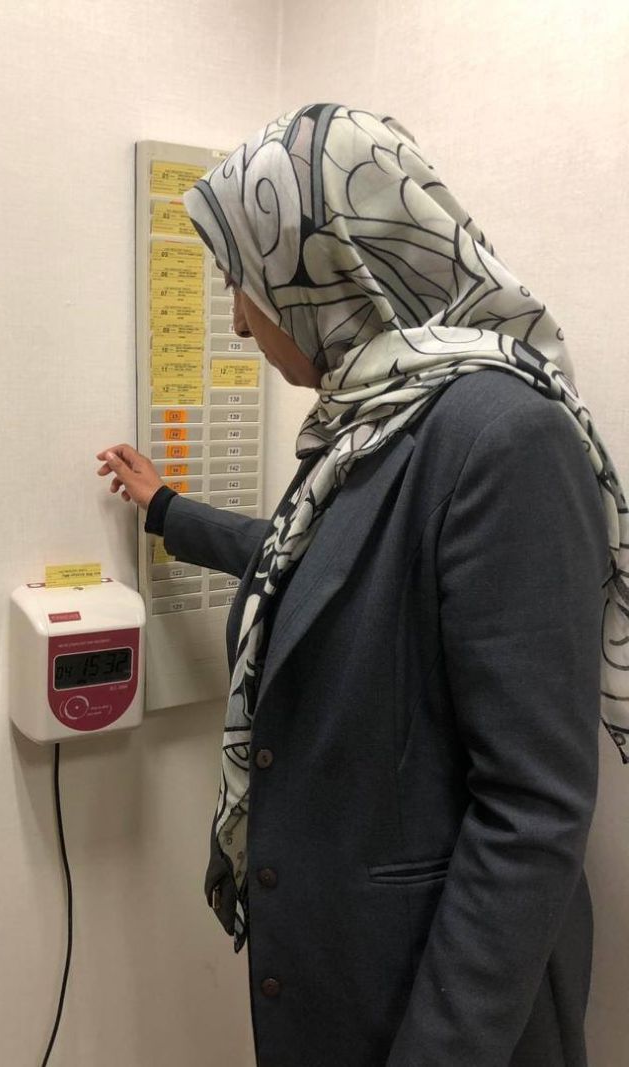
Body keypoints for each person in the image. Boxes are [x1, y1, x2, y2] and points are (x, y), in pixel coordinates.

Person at [98, 104, 629, 1066]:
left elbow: (535, 809)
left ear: (324, 266)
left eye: (244, 282)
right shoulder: (376, 420)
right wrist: (170, 510)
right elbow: (328, 568)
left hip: (442, 1015)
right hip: (349, 985)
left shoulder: (504, 439)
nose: (235, 317)